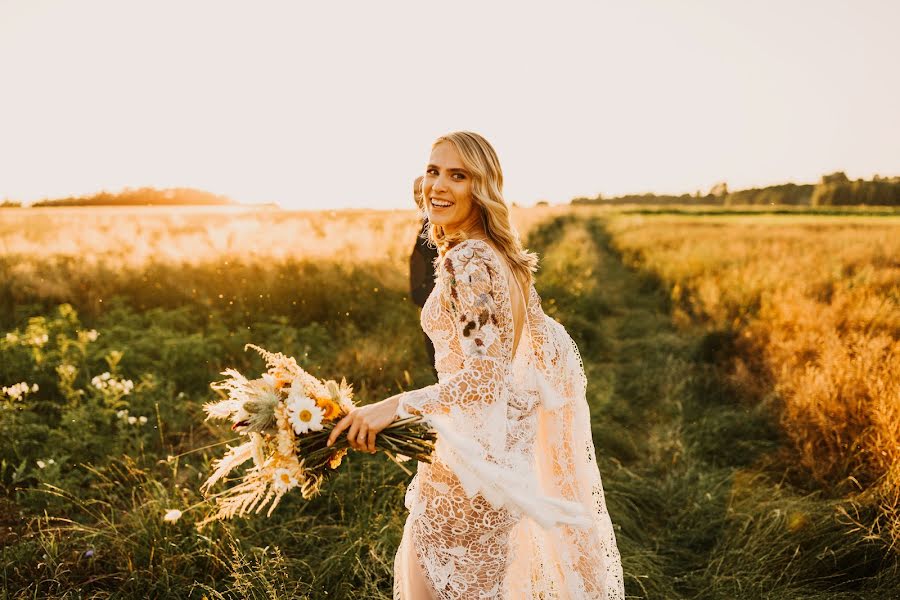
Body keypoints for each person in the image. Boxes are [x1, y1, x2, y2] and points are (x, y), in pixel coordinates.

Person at [327, 131, 625, 598]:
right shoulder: (501, 256)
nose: (438, 186)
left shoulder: (467, 260)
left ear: (481, 187)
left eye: (458, 175)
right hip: (499, 455)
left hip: (471, 463)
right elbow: (518, 365)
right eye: (433, 171)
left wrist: (393, 407)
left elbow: (486, 378)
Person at [408, 175, 439, 380]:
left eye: (423, 191)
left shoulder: (438, 223)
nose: (419, 197)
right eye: (415, 193)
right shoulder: (426, 221)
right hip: (429, 306)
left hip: (439, 308)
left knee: (441, 365)